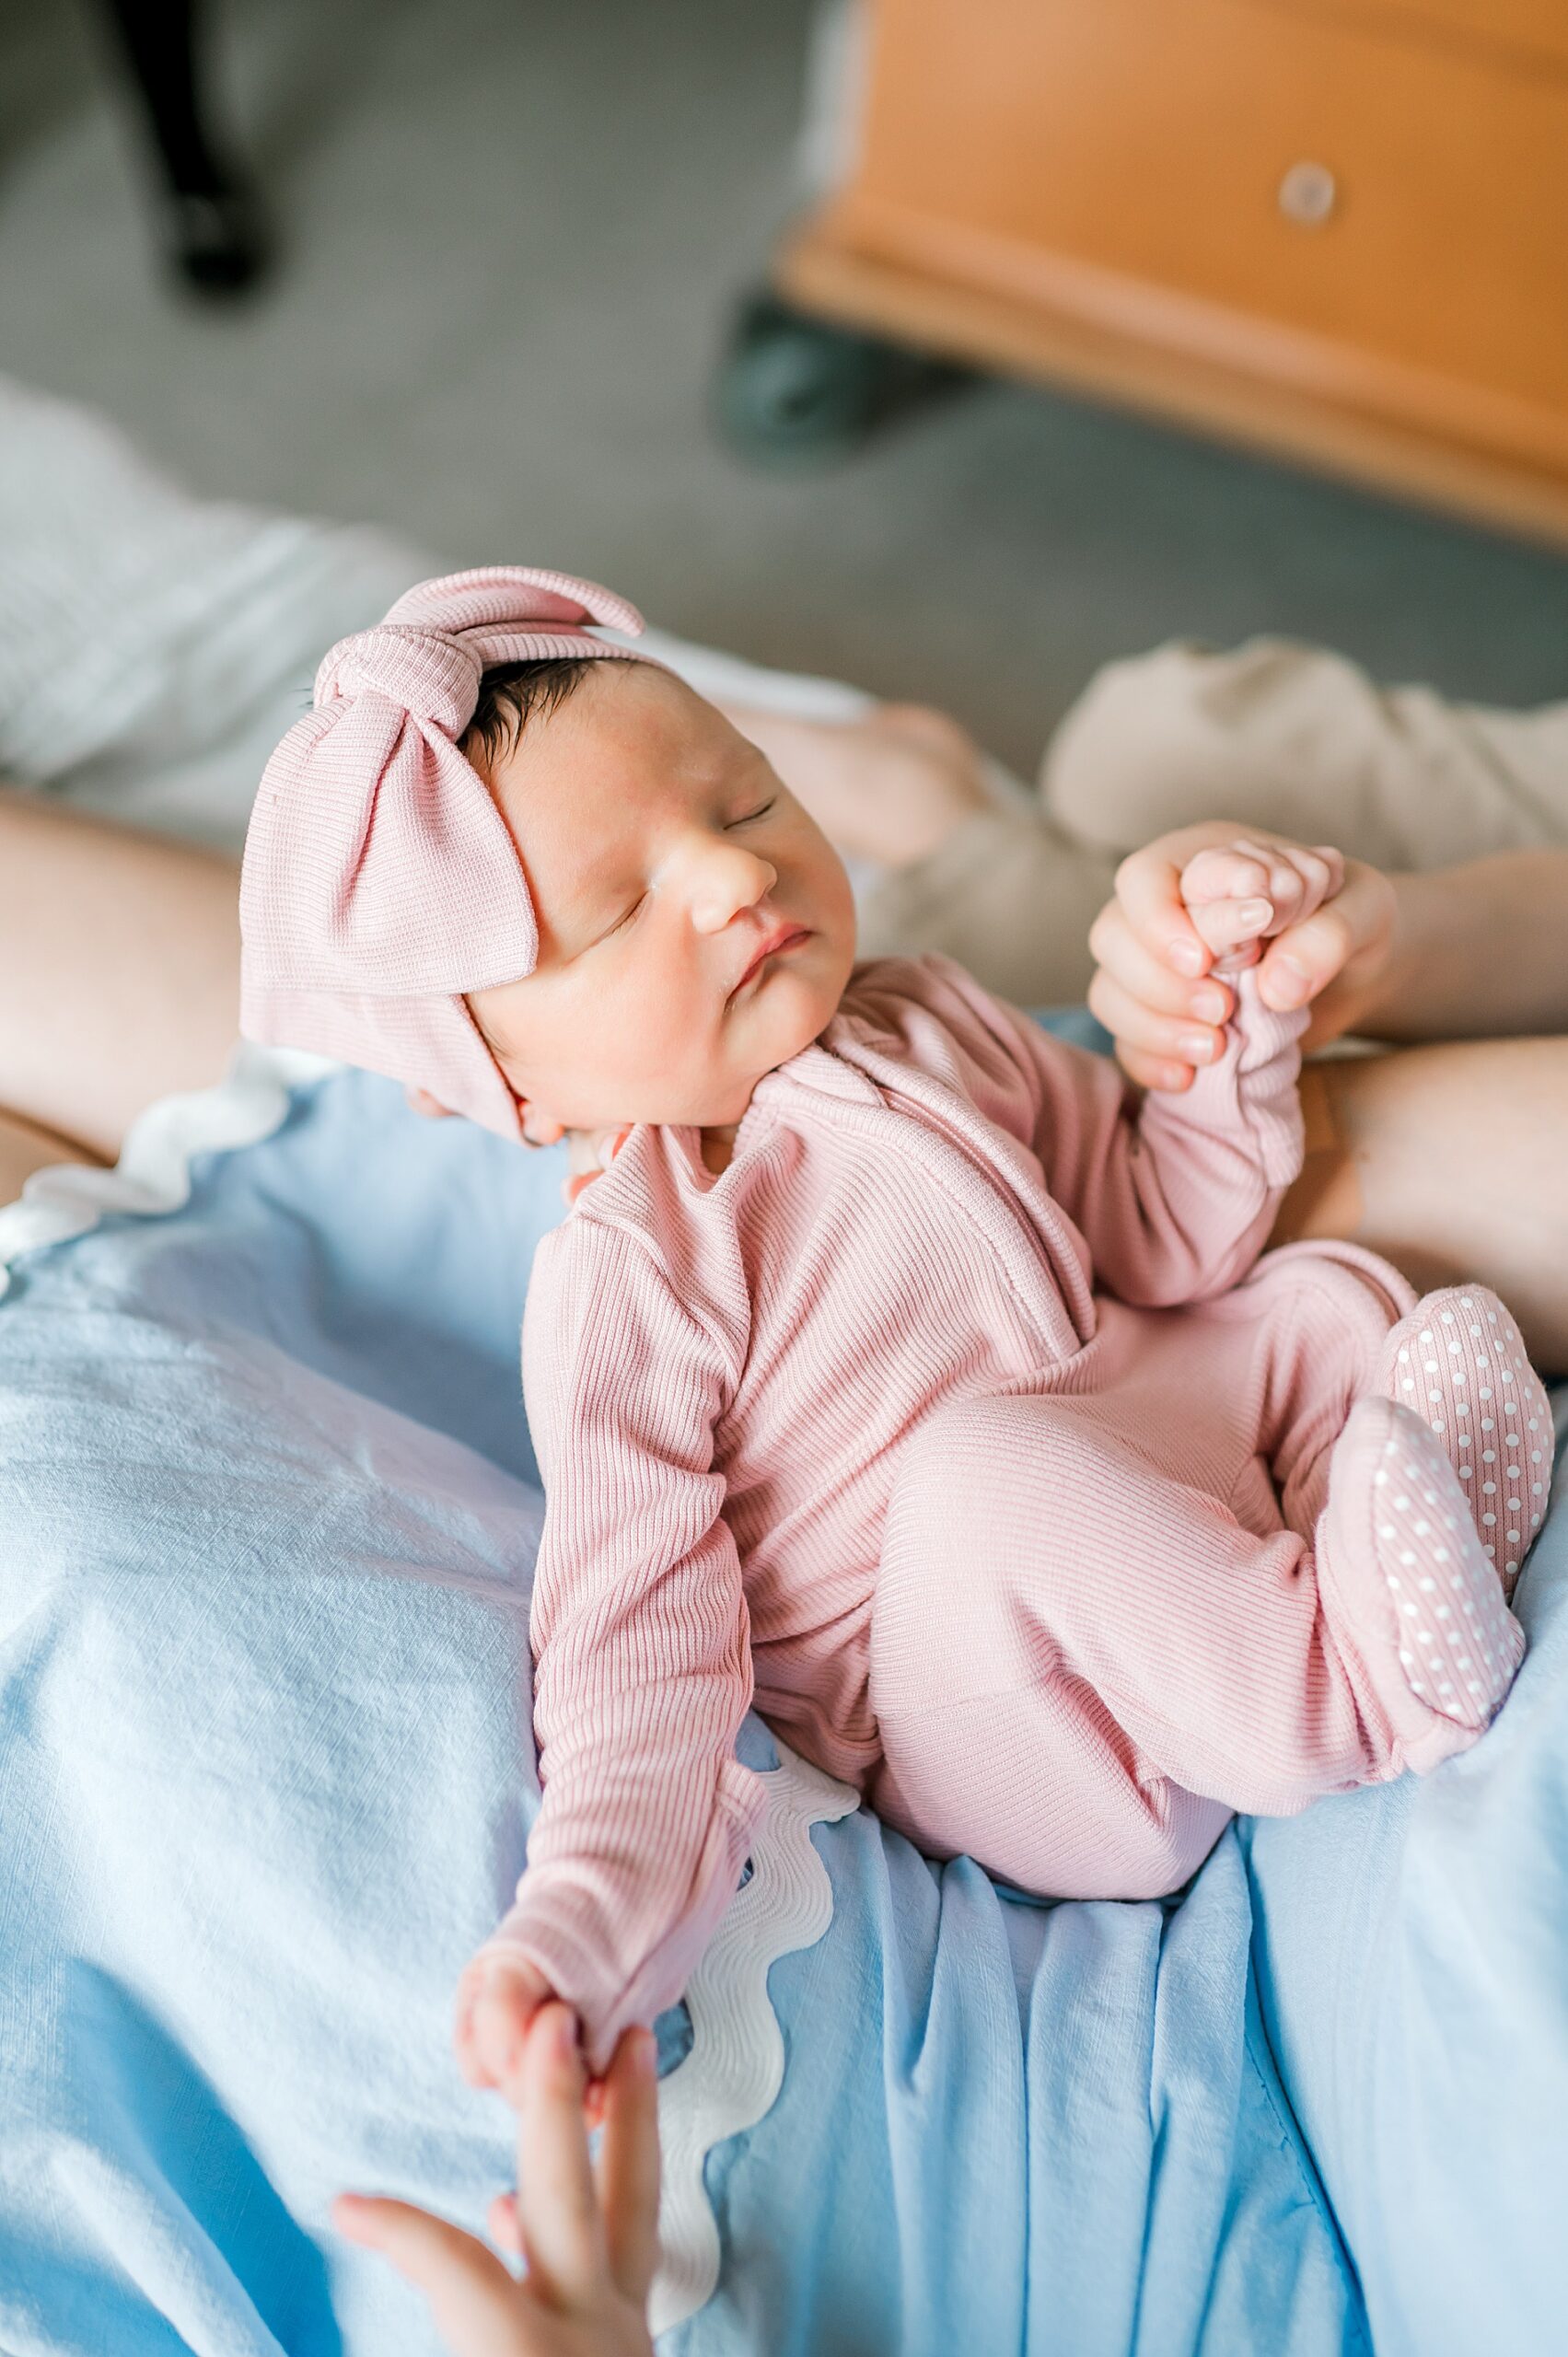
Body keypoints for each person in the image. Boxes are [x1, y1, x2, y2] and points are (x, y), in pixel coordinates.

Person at [228, 568, 1550, 2117]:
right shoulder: (638, 1275)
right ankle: (1354, 1684)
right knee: (988, 1474)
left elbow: (1160, 1234)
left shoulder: (927, 1015)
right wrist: (582, 1928)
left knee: (1327, 1301)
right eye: (619, 907)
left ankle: (1370, 1517)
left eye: (746, 800)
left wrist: (1230, 1056)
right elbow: (636, 1643)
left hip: (1148, 1445)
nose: (730, 878)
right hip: (1020, 1709)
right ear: (505, 1091)